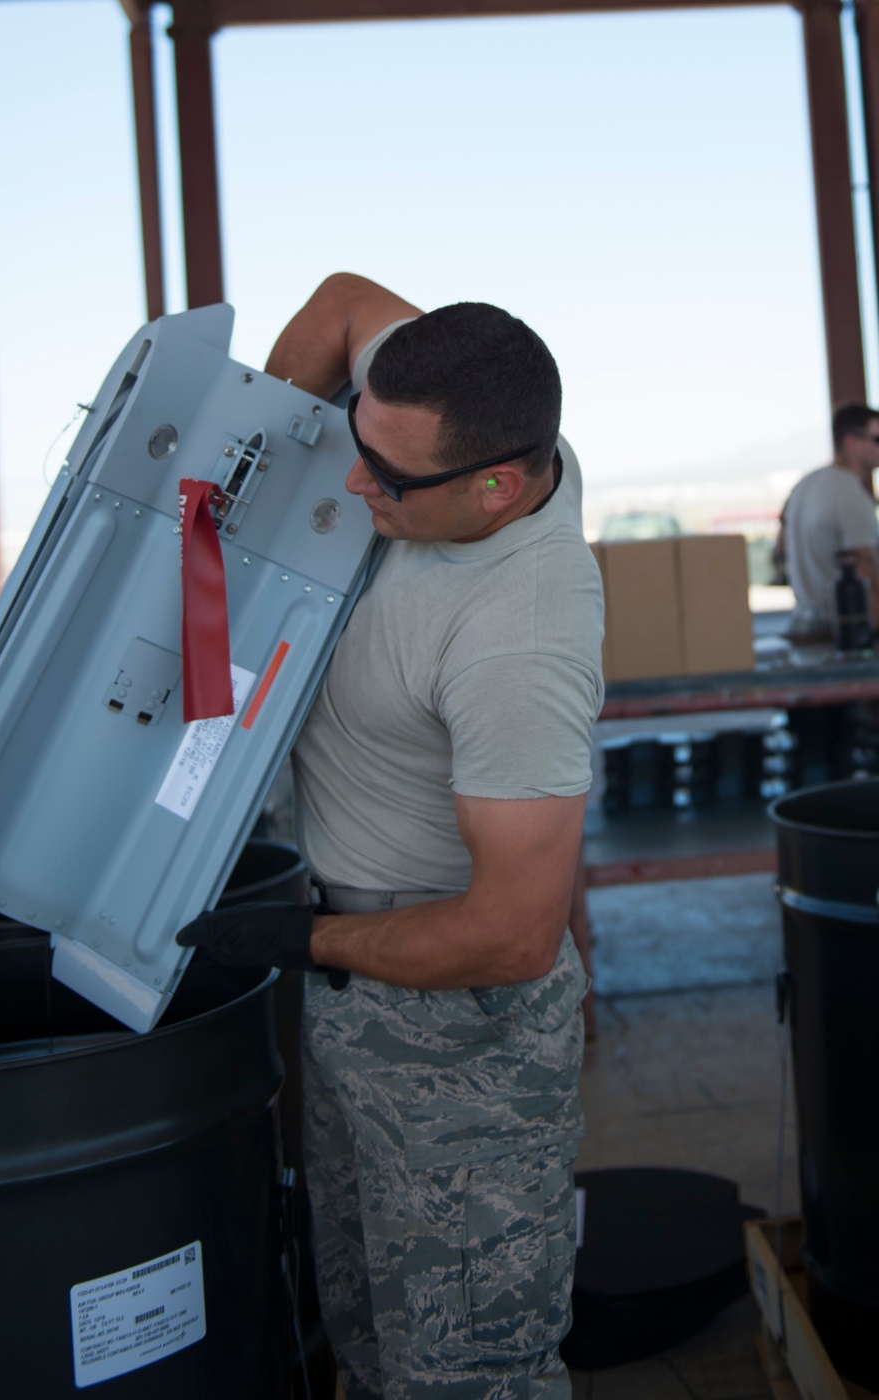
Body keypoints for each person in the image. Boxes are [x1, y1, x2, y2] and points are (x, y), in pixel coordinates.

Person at [178, 272, 605, 1399]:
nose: (354, 476)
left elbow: (514, 934)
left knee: (465, 1370)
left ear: (496, 488)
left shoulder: (519, 635)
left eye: (389, 476)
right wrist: (243, 472)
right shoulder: (451, 414)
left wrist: (306, 941)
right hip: (353, 999)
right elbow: (340, 302)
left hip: (458, 1042)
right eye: (356, 440)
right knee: (366, 1342)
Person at [778, 402, 879, 638]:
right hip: (841, 632)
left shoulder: (805, 484)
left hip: (802, 627)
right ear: (851, 442)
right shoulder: (849, 495)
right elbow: (865, 574)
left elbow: (779, 551)